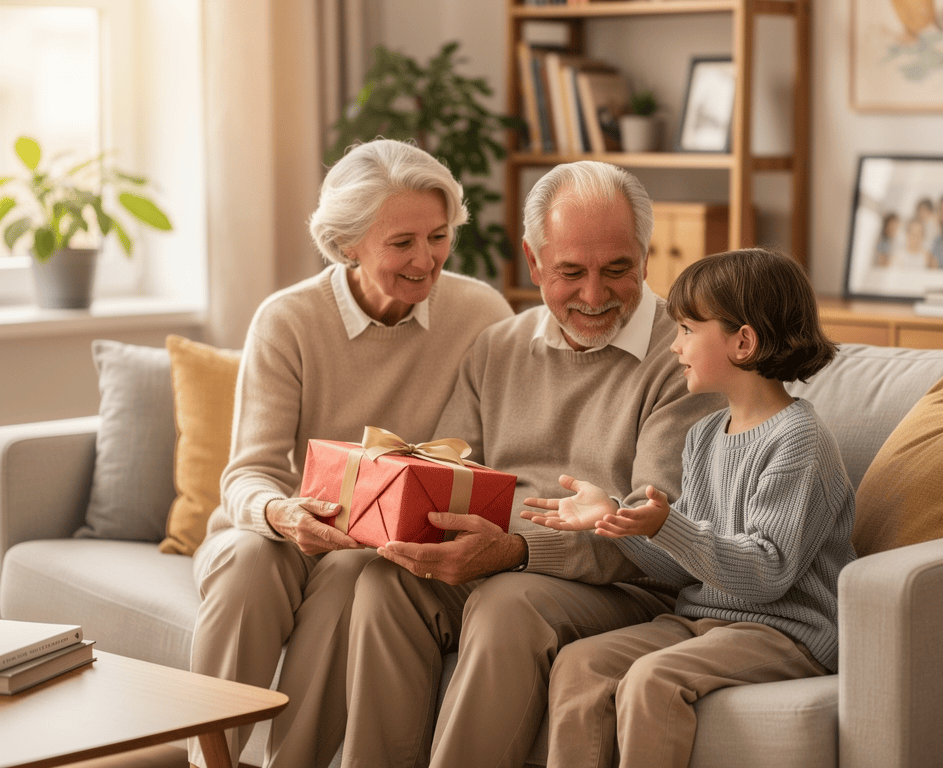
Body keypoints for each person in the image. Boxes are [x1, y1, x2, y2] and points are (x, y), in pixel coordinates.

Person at [340, 161, 724, 768]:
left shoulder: (684, 361)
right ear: (533, 261)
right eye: (570, 272)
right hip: (504, 564)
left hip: (631, 588)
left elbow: (655, 534)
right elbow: (450, 479)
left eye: (617, 270)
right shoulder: (499, 347)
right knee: (388, 584)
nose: (594, 296)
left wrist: (517, 548)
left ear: (646, 258)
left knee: (507, 603)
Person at [187, 139, 513, 768]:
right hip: (277, 527)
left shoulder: (479, 314)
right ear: (346, 246)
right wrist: (283, 516)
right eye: (402, 243)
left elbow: (487, 456)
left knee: (352, 574)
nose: (427, 260)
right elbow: (249, 472)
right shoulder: (288, 320)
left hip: (382, 545)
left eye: (439, 236)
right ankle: (209, 762)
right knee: (250, 564)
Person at [521, 248, 857, 768]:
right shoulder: (704, 436)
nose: (674, 345)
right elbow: (685, 564)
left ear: (742, 342)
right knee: (579, 665)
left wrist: (669, 525)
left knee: (652, 680)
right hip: (703, 619)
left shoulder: (799, 439)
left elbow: (768, 573)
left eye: (686, 330)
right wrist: (615, 517)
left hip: (787, 633)